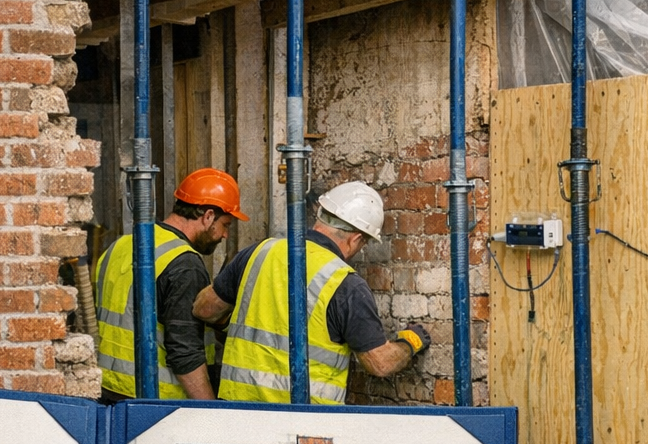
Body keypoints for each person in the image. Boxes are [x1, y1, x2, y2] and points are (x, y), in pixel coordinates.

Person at [193, 180, 429, 404]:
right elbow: (380, 363)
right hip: (306, 423)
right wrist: (412, 341)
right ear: (356, 238)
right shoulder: (345, 284)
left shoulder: (259, 252)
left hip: (239, 410)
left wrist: (234, 323)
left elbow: (204, 309)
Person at [94, 168, 246, 401]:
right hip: (155, 400)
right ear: (207, 216)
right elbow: (184, 352)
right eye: (225, 225)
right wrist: (210, 411)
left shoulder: (122, 245)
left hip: (105, 391)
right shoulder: (184, 264)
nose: (225, 235)